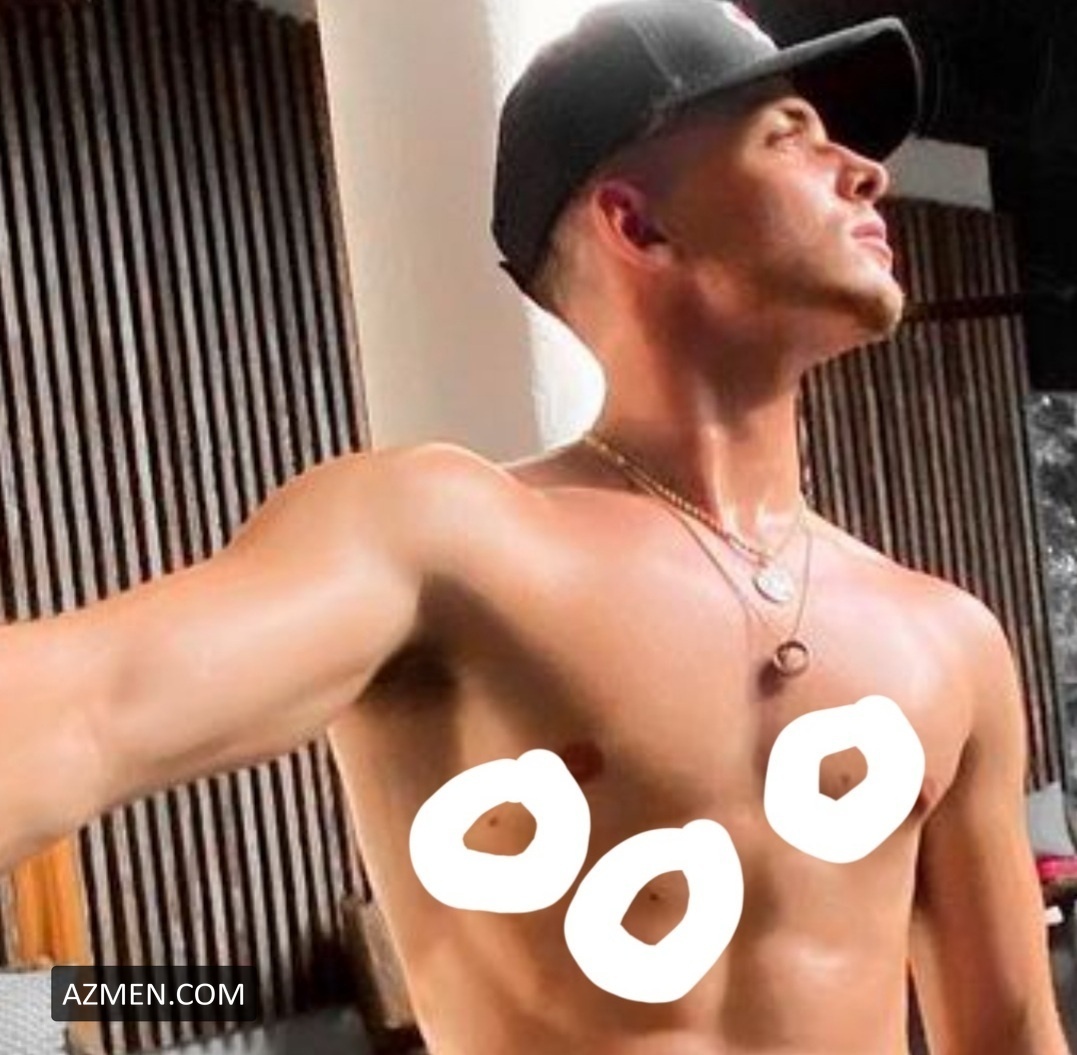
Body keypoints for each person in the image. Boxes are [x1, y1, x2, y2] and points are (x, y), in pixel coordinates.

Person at [0, 1, 1069, 1052]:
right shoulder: (447, 545)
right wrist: (26, 1014)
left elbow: (1013, 1031)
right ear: (636, 223)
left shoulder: (949, 638)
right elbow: (90, 707)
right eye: (788, 137)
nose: (867, 170)